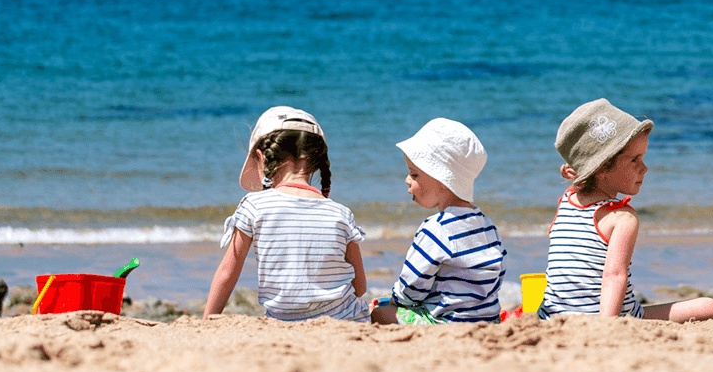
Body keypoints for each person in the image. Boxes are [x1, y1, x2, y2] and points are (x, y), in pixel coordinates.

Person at [540, 99, 713, 322]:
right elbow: (614, 276)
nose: (644, 168)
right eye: (634, 160)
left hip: (552, 318)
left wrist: (579, 170)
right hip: (606, 317)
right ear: (602, 168)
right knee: (709, 307)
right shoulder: (622, 218)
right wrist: (607, 326)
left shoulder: (566, 200)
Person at [205, 107, 369, 321]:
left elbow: (227, 274)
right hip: (346, 321)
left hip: (283, 322)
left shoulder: (253, 206)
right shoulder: (341, 213)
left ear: (260, 157)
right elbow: (360, 286)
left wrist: (207, 320)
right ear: (316, 160)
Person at [371, 118, 505, 324]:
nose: (407, 179)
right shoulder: (488, 225)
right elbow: (498, 274)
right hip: (488, 320)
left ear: (442, 180)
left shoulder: (436, 228)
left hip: (445, 323)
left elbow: (412, 286)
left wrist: (393, 303)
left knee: (379, 313)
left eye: (414, 174)